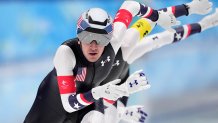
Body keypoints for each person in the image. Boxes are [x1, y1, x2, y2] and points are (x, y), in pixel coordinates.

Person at [24, 0, 180, 123]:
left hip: (87, 103)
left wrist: (158, 16)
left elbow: (131, 5)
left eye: (101, 39)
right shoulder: (66, 53)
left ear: (109, 39)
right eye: (87, 37)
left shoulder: (115, 42)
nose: (94, 45)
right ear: (79, 37)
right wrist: (100, 93)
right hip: (54, 111)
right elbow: (69, 104)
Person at [81, 1, 217, 123]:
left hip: (111, 87)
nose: (94, 47)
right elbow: (157, 25)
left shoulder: (124, 42)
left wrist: (191, 11)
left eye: (99, 41)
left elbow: (158, 26)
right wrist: (189, 10)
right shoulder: (121, 44)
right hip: (105, 94)